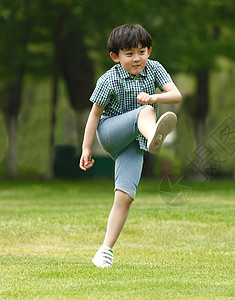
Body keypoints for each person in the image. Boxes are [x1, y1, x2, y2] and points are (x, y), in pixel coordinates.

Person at [79, 24, 182, 268]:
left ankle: (105, 251)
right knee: (145, 111)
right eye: (129, 54)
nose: (137, 58)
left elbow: (175, 95)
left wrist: (154, 97)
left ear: (149, 50)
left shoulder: (154, 68)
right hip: (111, 132)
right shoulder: (108, 79)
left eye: (142, 51)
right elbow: (94, 116)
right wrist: (86, 148)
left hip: (134, 142)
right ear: (115, 56)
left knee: (125, 196)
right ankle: (154, 134)